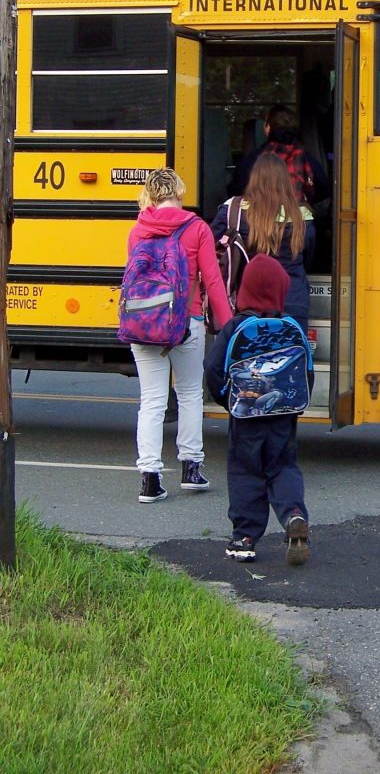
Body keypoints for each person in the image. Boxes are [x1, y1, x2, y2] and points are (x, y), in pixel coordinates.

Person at [127, 168, 233, 502]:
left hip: (144, 323)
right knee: (188, 394)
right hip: (185, 322)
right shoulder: (197, 227)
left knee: (152, 400)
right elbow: (213, 281)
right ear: (179, 192)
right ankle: (191, 468)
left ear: (150, 194)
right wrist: (229, 326)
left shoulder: (137, 230)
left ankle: (149, 477)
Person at [204, 254, 310, 565]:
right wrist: (291, 406)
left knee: (246, 471)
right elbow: (306, 371)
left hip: (246, 416)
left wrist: (229, 400)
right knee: (283, 466)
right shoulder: (291, 326)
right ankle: (293, 514)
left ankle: (245, 538)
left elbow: (213, 368)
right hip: (283, 416)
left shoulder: (236, 327)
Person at [211, 152, 315, 335]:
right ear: (285, 181)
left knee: (249, 359)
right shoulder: (303, 215)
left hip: (248, 301)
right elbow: (309, 256)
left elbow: (212, 247)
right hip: (294, 300)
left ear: (254, 178)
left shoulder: (233, 210)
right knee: (291, 359)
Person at [229, 103, 331, 205]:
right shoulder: (306, 158)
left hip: (264, 217)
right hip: (299, 217)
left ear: (267, 128)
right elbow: (323, 189)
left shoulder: (255, 159)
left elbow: (236, 190)